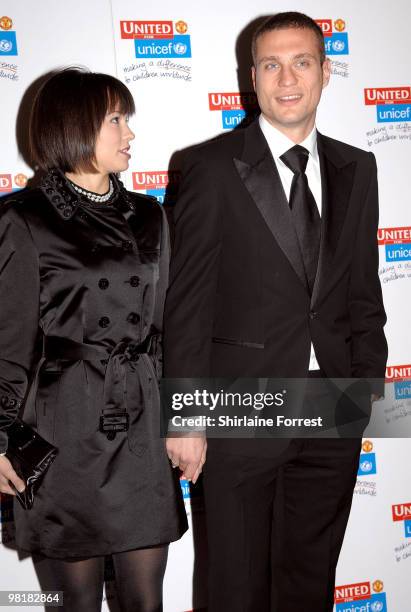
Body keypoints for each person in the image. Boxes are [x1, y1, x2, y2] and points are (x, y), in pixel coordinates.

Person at [164, 12, 387, 612]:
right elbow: (185, 303)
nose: (287, 78)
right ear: (252, 79)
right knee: (234, 585)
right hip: (240, 408)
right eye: (271, 65)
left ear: (325, 72)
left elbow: (365, 292)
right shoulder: (208, 167)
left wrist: (362, 386)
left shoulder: (356, 168)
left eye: (302, 62)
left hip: (329, 407)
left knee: (308, 580)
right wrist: (184, 414)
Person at [0, 68, 187, 612]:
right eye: (115, 120)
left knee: (145, 598)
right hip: (66, 424)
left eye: (127, 120)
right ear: (75, 126)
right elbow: (9, 340)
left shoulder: (150, 216)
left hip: (141, 419)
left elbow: (166, 328)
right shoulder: (25, 219)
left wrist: (185, 416)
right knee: (76, 601)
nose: (129, 134)